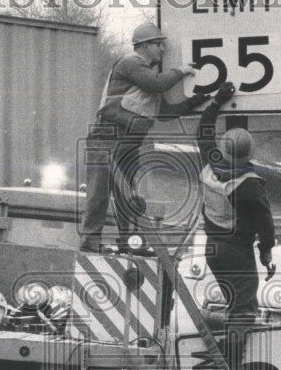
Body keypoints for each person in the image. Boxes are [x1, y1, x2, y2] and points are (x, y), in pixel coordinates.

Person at [80, 22, 206, 253]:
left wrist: (195, 102)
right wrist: (182, 71)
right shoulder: (131, 63)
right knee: (99, 193)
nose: (162, 49)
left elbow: (164, 113)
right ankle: (90, 240)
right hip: (107, 136)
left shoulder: (147, 76)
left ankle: (127, 242)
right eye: (159, 44)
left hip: (129, 139)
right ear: (145, 45)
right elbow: (156, 84)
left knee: (126, 194)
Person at [196, 82, 275, 370]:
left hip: (212, 248)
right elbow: (265, 224)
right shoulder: (250, 184)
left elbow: (203, 130)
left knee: (234, 305)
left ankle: (222, 364)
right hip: (236, 250)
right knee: (244, 308)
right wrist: (266, 251)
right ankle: (229, 369)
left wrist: (217, 102)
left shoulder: (210, 165)